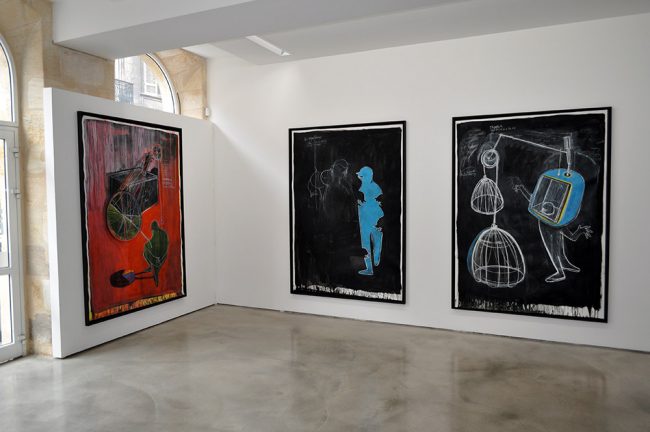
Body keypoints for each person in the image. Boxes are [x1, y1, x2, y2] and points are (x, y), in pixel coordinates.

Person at [356, 166, 384, 276]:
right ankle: (374, 261)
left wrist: (361, 204)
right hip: (374, 217)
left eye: (361, 176)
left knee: (367, 243)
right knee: (376, 240)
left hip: (367, 218)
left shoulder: (365, 188)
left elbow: (372, 202)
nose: (359, 178)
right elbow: (379, 202)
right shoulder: (375, 187)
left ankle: (370, 267)